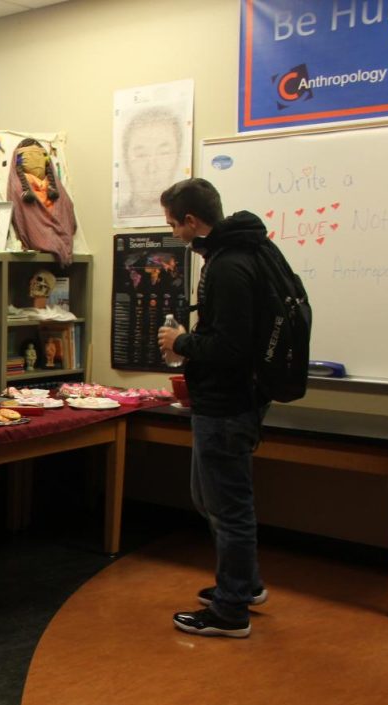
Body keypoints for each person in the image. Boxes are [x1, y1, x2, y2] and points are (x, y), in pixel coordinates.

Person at [157, 177, 274, 639]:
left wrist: (180, 341)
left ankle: (231, 611)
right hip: (230, 401)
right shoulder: (244, 251)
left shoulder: (228, 266)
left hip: (227, 405)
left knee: (228, 507)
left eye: (174, 224)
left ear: (192, 220)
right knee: (212, 499)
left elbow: (230, 346)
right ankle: (244, 584)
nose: (173, 233)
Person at [118, 106, 183, 221]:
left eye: (164, 153)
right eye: (141, 155)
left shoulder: (186, 219)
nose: (152, 168)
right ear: (126, 161)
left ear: (178, 158)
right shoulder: (122, 212)